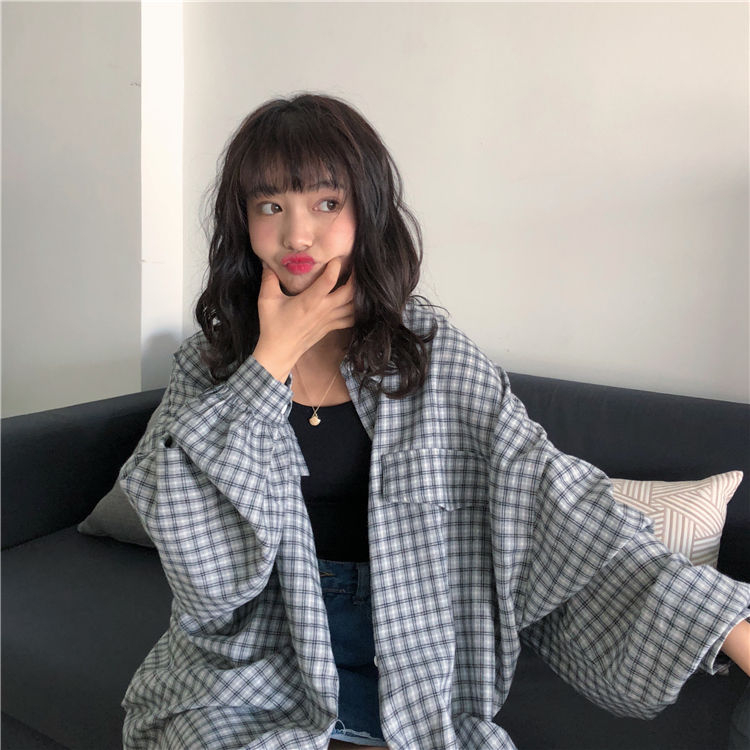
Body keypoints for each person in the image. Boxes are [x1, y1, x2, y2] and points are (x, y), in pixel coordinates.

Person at [120, 92, 750, 750]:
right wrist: (271, 359)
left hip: (413, 657)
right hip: (253, 660)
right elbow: (194, 559)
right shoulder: (212, 364)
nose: (297, 235)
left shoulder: (430, 354)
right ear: (243, 221)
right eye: (270, 206)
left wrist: (728, 628)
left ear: (367, 210)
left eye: (326, 203)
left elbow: (557, 503)